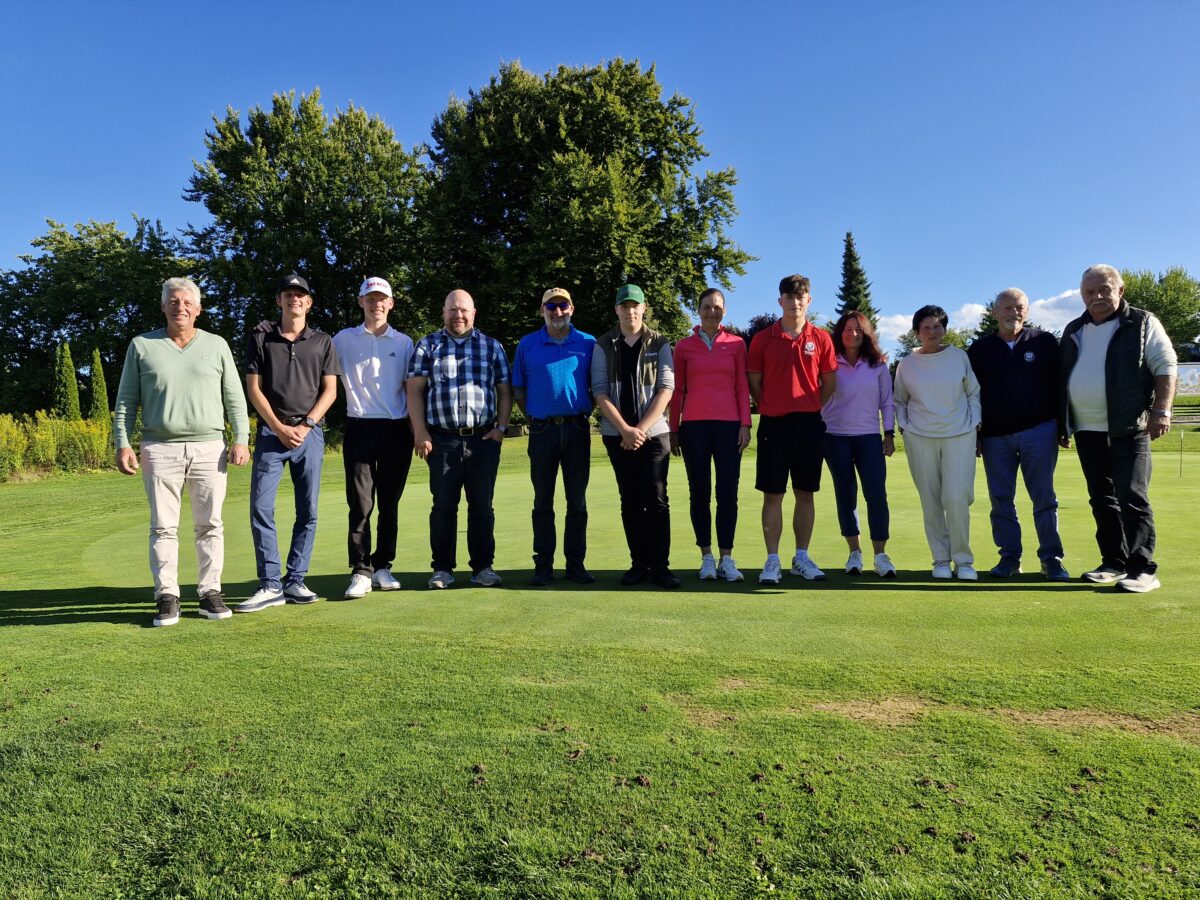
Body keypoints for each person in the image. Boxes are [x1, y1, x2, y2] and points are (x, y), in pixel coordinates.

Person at [114, 277, 250, 627]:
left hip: (210, 447)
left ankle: (209, 592)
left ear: (199, 309)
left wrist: (241, 437)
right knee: (163, 527)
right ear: (163, 306)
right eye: (173, 301)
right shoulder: (142, 345)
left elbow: (234, 397)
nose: (181, 307)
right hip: (159, 448)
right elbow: (127, 399)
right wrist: (123, 442)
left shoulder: (216, 345)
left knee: (210, 524)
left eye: (188, 301)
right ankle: (167, 596)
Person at [1060, 264, 1177, 593]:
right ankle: (1114, 562)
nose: (1097, 296)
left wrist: (1162, 411)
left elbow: (1165, 367)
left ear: (1120, 290)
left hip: (1130, 426)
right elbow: (1062, 379)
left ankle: (1142, 569)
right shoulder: (1073, 329)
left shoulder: (1141, 322)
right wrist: (1063, 421)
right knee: (1101, 498)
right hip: (1087, 428)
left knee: (1132, 497)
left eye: (1104, 289)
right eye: (1089, 292)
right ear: (1082, 296)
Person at [239, 274, 340, 613]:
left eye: (300, 294)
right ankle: (270, 584)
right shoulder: (261, 337)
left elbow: (330, 390)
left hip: (310, 435)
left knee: (307, 510)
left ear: (309, 302)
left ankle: (295, 580)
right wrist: (279, 427)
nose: (294, 299)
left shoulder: (323, 340)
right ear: (279, 301)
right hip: (271, 434)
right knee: (260, 508)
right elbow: (254, 388)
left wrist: (308, 424)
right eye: (288, 294)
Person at [407, 290, 512, 589]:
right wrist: (420, 432)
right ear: (443, 312)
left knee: (482, 506)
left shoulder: (492, 346)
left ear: (474, 312)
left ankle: (483, 568)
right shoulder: (428, 345)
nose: (458, 315)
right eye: (453, 310)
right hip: (442, 440)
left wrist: (501, 429)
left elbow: (504, 390)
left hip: (483, 438)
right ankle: (442, 569)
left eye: (464, 310)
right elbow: (414, 390)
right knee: (443, 506)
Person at [967, 288, 1068, 581]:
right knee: (1001, 499)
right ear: (995, 313)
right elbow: (971, 395)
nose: (1015, 312)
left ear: (1028, 310)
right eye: (1008, 308)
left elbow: (1060, 385)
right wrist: (975, 433)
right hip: (995, 436)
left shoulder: (1045, 342)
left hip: (1040, 430)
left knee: (1044, 498)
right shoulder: (980, 350)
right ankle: (1010, 557)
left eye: (1020, 307)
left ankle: (1051, 558)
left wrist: (1063, 425)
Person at [747, 274, 837, 584]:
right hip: (773, 423)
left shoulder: (822, 338)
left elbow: (830, 384)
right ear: (780, 300)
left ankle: (801, 556)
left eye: (801, 297)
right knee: (773, 494)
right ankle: (772, 560)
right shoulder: (762, 339)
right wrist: (771, 404)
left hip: (809, 424)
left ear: (808, 300)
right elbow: (754, 384)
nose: (795, 302)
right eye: (789, 296)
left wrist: (810, 405)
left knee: (805, 493)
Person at [332, 276, 415, 599]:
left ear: (391, 304)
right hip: (360, 427)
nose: (376, 304)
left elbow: (413, 390)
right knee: (361, 503)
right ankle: (361, 570)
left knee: (389, 504)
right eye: (370, 299)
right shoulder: (343, 339)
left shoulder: (404, 343)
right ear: (361, 302)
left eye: (382, 299)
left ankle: (383, 566)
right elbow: (325, 378)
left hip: (396, 429)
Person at [591, 284, 678, 588]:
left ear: (644, 308)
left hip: (653, 435)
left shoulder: (660, 342)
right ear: (616, 310)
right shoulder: (604, 344)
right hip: (617, 435)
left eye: (635, 306)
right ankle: (638, 564)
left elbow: (666, 388)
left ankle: (660, 566)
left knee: (656, 499)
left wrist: (639, 429)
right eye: (624, 306)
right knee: (630, 500)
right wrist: (626, 430)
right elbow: (600, 391)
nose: (630, 311)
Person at [511, 287, 597, 586]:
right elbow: (518, 389)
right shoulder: (528, 344)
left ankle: (576, 565)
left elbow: (596, 387)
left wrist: (583, 411)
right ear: (542, 310)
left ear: (571, 308)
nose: (557, 312)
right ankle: (543, 566)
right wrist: (535, 415)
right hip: (542, 430)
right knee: (542, 502)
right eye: (551, 306)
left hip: (576, 429)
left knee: (577, 502)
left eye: (562, 306)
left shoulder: (587, 343)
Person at [893, 305, 981, 580]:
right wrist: (906, 426)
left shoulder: (959, 357)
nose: (932, 331)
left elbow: (973, 393)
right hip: (920, 437)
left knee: (956, 498)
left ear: (945, 328)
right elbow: (899, 400)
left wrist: (973, 423)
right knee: (930, 500)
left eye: (937, 326)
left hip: (959, 434)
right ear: (917, 332)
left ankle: (963, 561)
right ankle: (940, 559)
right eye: (926, 327)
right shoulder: (906, 364)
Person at [668, 287, 750, 582]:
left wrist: (745, 424)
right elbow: (678, 390)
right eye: (706, 307)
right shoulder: (684, 346)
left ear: (724, 311)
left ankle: (726, 558)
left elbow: (742, 385)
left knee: (728, 494)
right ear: (698, 310)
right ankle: (706, 557)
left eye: (717, 307)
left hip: (729, 426)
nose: (711, 311)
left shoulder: (737, 344)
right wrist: (674, 428)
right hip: (694, 427)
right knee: (699, 493)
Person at [820, 311, 897, 578]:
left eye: (857, 329)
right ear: (839, 333)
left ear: (866, 333)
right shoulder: (829, 362)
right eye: (846, 329)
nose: (852, 333)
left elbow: (887, 401)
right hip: (834, 436)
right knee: (846, 494)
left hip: (868, 437)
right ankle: (854, 552)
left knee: (876, 494)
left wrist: (889, 434)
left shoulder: (878, 365)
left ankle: (880, 555)